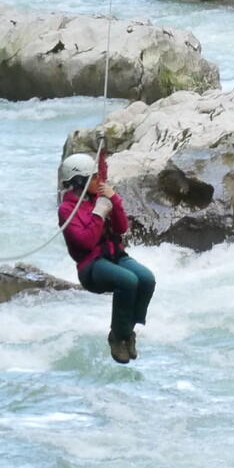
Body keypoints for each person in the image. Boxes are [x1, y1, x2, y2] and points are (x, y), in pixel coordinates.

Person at [59, 151, 154, 364]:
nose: (98, 180)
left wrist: (113, 200)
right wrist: (98, 214)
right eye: (92, 178)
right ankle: (117, 337)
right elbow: (85, 242)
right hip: (91, 266)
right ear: (79, 181)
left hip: (114, 255)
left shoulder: (100, 197)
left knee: (146, 279)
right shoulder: (67, 210)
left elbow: (121, 228)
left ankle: (126, 332)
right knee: (128, 281)